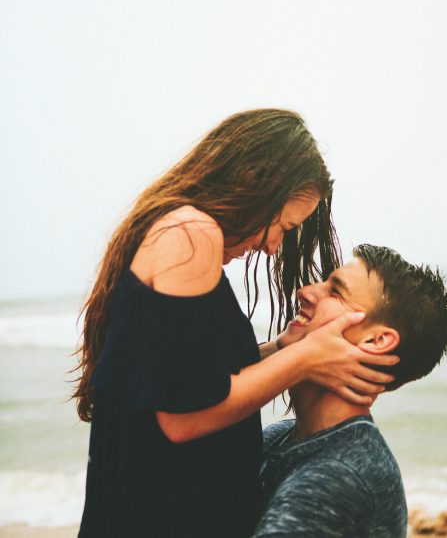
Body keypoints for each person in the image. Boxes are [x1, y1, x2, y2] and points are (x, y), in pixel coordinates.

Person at [73, 109, 398, 538]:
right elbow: (183, 417)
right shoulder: (192, 233)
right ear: (251, 181)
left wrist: (280, 349)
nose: (272, 246)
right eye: (282, 226)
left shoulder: (176, 229)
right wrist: (305, 360)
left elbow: (193, 377)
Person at [252, 243, 447, 538]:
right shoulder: (283, 436)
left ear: (375, 341)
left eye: (336, 292)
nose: (305, 291)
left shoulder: (340, 475)